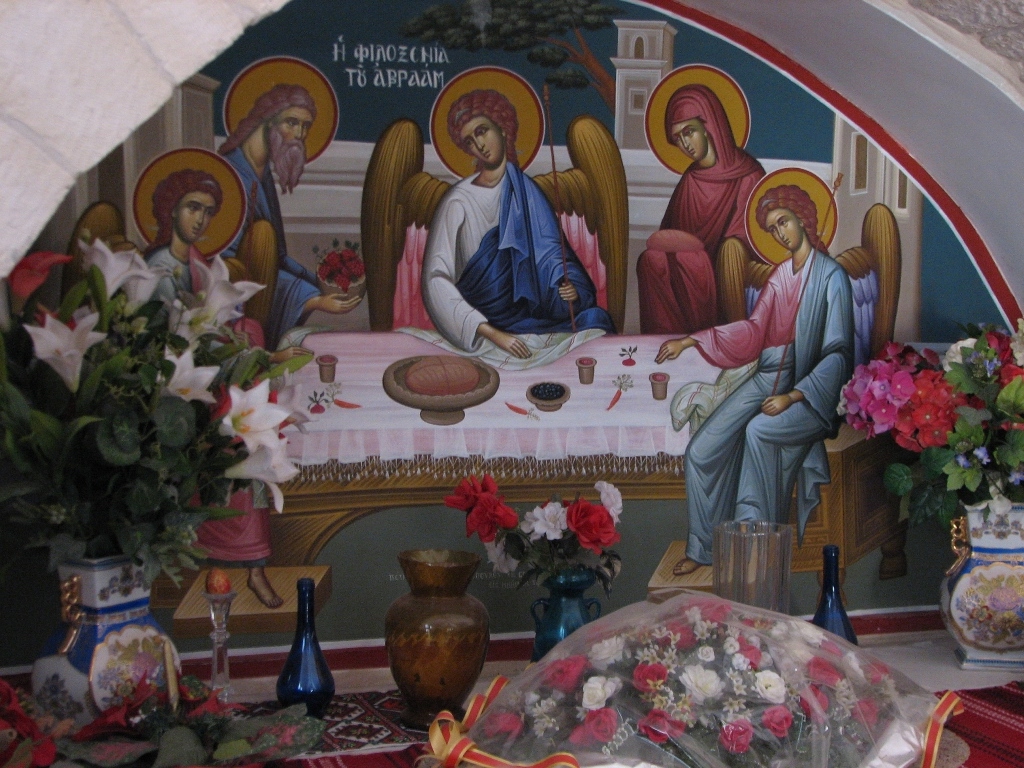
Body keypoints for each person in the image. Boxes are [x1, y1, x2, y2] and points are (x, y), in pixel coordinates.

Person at [655, 183, 854, 575]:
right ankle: (705, 547)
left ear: (804, 219)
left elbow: (838, 354)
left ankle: (754, 546)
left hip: (808, 393)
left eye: (784, 222)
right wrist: (692, 340)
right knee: (701, 450)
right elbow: (754, 329)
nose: (780, 233)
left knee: (758, 432)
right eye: (772, 228)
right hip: (767, 375)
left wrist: (794, 396)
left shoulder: (832, 277)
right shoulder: (781, 276)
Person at [144, 168, 285, 609]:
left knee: (249, 454)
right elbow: (162, 333)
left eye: (208, 211)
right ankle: (205, 572)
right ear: (170, 209)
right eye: (192, 208)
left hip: (216, 387)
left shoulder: (202, 265)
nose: (201, 220)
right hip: (176, 391)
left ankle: (256, 568)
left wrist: (238, 337)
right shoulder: (158, 270)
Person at [421, 89, 615, 359]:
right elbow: (435, 280)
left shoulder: (528, 192)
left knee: (596, 320)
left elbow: (553, 255)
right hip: (485, 325)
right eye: (469, 141)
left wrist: (571, 290)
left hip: (530, 319)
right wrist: (489, 332)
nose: (479, 145)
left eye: (482, 131)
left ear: (502, 128)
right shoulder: (458, 201)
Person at [219, 83, 358, 349]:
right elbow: (239, 263)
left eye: (305, 126)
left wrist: (317, 280)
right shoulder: (233, 175)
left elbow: (277, 256)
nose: (299, 134)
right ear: (266, 121)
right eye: (291, 123)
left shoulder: (261, 174)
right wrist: (314, 300)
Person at [637, 83, 765, 334]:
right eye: (678, 138)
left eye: (689, 131)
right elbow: (670, 232)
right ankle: (662, 339)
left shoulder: (748, 174)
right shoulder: (690, 180)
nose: (685, 143)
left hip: (721, 273)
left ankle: (704, 340)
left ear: (710, 126)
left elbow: (747, 240)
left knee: (693, 261)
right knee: (650, 261)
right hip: (686, 266)